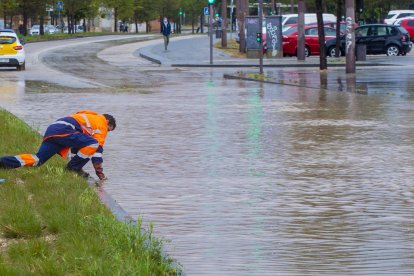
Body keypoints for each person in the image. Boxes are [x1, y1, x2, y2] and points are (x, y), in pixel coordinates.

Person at [0, 110, 116, 181]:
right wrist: (100, 174)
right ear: (108, 123)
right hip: (65, 130)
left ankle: (3, 162)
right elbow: (97, 150)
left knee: (37, 160)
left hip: (54, 129)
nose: (107, 132)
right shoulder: (102, 124)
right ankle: (71, 169)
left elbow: (79, 146)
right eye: (109, 130)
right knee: (94, 144)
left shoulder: (89, 115)